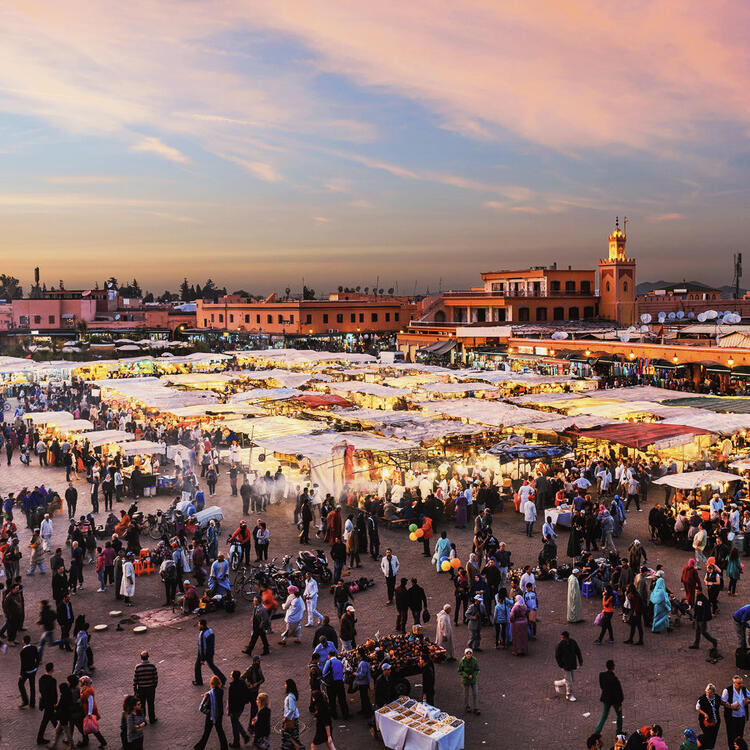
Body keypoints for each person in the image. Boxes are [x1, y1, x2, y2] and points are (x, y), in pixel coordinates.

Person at [195, 675, 229, 750]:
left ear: (212, 683)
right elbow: (215, 691)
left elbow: (202, 708)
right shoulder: (221, 691)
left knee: (206, 732)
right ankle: (224, 747)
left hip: (211, 715)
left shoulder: (210, 695)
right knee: (220, 731)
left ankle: (200, 747)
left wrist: (205, 697)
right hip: (219, 714)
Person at [594, 660, 623, 736]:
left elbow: (602, 686)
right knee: (619, 715)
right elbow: (618, 693)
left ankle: (597, 732)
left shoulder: (602, 675)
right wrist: (620, 704)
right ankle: (619, 732)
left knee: (604, 715)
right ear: (613, 667)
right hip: (615, 701)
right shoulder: (615, 679)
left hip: (606, 699)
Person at [194, 619, 227, 686]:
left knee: (197, 667)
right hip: (210, 652)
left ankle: (199, 681)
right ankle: (222, 678)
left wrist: (202, 659)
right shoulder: (210, 631)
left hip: (203, 654)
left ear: (202, 625)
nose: (198, 625)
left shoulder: (202, 634)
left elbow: (202, 646)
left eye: (199, 624)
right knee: (212, 666)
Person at [722, 675, 750, 750]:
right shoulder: (727, 690)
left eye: (741, 683)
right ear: (734, 683)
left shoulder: (744, 689)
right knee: (731, 736)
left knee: (740, 735)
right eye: (739, 683)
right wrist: (731, 706)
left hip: (741, 717)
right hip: (731, 718)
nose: (741, 685)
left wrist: (748, 701)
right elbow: (722, 702)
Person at [80, 675, 107, 748]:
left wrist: (89, 713)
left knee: (93, 727)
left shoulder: (88, 690)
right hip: (87, 710)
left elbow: (90, 702)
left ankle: (102, 741)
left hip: (89, 712)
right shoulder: (85, 688)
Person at [555, 631, 583, 702]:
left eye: (562, 637)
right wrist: (561, 665)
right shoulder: (560, 645)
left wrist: (580, 660)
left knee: (570, 679)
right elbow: (557, 656)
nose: (561, 638)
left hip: (572, 664)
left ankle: (557, 683)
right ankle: (569, 695)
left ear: (565, 637)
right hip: (565, 665)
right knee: (569, 680)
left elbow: (578, 651)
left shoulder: (573, 642)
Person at [133, 650, 158, 724]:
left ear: (141, 658)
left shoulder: (137, 667)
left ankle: (143, 720)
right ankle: (152, 719)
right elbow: (155, 678)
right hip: (150, 688)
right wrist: (154, 686)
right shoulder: (152, 666)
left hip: (141, 689)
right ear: (148, 657)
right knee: (151, 704)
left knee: (142, 705)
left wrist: (135, 689)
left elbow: (135, 680)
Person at [322, 651, 349, 719]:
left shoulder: (329, 662)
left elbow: (324, 672)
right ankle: (345, 714)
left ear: (329, 655)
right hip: (340, 682)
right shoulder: (339, 661)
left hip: (331, 683)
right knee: (342, 699)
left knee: (332, 699)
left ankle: (334, 715)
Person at [227, 669, 250, 748]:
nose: (230, 676)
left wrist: (230, 711)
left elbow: (231, 701)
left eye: (231, 675)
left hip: (235, 709)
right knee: (236, 721)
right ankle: (244, 736)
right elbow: (247, 692)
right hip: (241, 707)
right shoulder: (242, 683)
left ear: (233, 677)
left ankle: (236, 742)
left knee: (234, 725)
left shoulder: (232, 687)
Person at [696, 683, 722, 750]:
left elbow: (722, 703)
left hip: (716, 721)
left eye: (710, 693)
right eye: (707, 692)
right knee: (707, 735)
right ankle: (706, 747)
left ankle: (711, 747)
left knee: (714, 736)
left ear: (713, 692)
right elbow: (697, 708)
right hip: (705, 722)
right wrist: (704, 714)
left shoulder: (717, 698)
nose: (708, 694)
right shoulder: (702, 699)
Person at [37, 661, 57, 745]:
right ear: (52, 669)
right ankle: (39, 738)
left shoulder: (41, 678)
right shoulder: (52, 680)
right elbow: (54, 693)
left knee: (52, 717)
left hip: (45, 702)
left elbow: (41, 690)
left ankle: (59, 728)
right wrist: (55, 703)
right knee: (45, 721)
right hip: (50, 703)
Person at [18, 633, 40, 709]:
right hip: (33, 670)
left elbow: (23, 664)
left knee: (20, 684)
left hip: (26, 671)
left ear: (24, 641)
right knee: (32, 686)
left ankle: (25, 701)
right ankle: (32, 703)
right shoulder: (34, 648)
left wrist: (21, 674)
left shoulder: (22, 652)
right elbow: (38, 658)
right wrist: (36, 667)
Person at [281, 678, 302, 750]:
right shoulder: (292, 696)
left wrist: (286, 717)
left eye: (286, 684)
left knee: (289, 737)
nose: (285, 685)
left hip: (291, 720)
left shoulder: (290, 697)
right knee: (292, 738)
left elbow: (292, 709)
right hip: (292, 719)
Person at [458, 647, 480, 715]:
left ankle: (476, 708)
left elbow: (477, 669)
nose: (468, 655)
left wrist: (473, 675)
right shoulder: (462, 661)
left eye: (470, 654)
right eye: (467, 654)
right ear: (465, 654)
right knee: (466, 694)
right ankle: (467, 706)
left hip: (473, 679)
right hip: (466, 680)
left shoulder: (474, 660)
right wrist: (467, 675)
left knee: (475, 693)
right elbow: (460, 671)